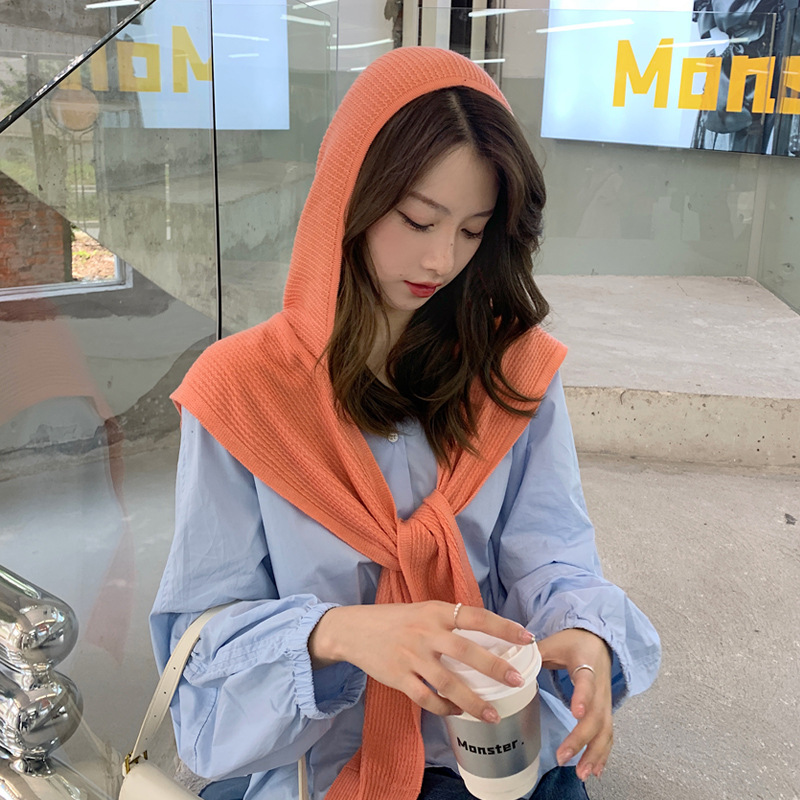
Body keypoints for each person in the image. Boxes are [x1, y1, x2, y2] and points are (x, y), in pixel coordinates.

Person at [150, 46, 661, 800]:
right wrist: (340, 633)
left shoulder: (510, 370)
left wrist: (585, 634)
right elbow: (201, 655)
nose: (440, 259)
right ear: (350, 197)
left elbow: (550, 555)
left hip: (497, 753)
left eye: (473, 230)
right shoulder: (243, 393)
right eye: (419, 219)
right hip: (323, 770)